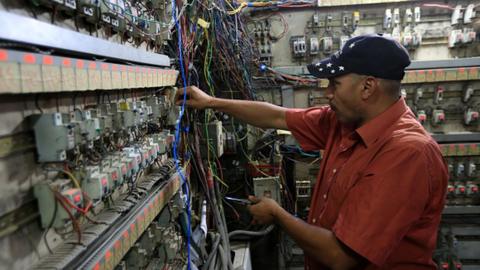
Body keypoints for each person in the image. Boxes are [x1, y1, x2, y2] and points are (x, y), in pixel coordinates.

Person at [176, 34, 448, 270]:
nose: (327, 93)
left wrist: (278, 215)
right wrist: (211, 102)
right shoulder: (343, 122)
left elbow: (340, 257)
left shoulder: (407, 154)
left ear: (367, 87)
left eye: (335, 84)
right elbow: (279, 118)